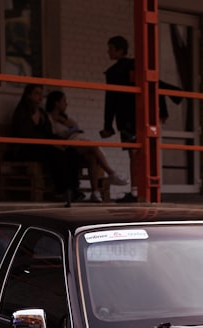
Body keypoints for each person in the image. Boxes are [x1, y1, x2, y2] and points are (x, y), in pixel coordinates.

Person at [45, 90, 127, 202]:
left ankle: (95, 192)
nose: (66, 103)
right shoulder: (48, 118)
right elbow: (51, 133)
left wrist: (64, 121)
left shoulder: (63, 118)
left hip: (74, 140)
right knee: (92, 146)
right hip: (64, 145)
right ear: (56, 103)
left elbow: (75, 127)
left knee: (92, 157)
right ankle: (111, 173)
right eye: (64, 101)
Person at [10, 83, 83, 199]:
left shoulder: (42, 113)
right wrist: (51, 144)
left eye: (41, 94)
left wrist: (61, 142)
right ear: (28, 95)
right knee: (56, 153)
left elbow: (49, 133)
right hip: (26, 149)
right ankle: (61, 190)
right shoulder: (22, 112)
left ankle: (73, 188)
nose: (40, 97)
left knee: (70, 151)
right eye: (36, 93)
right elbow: (26, 135)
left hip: (43, 146)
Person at [100, 35, 139, 203]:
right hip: (139, 114)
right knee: (138, 153)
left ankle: (136, 191)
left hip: (125, 118)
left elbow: (111, 100)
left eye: (111, 48)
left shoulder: (114, 72)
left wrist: (108, 126)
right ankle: (137, 190)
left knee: (134, 153)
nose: (108, 51)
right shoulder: (136, 66)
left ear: (119, 50)